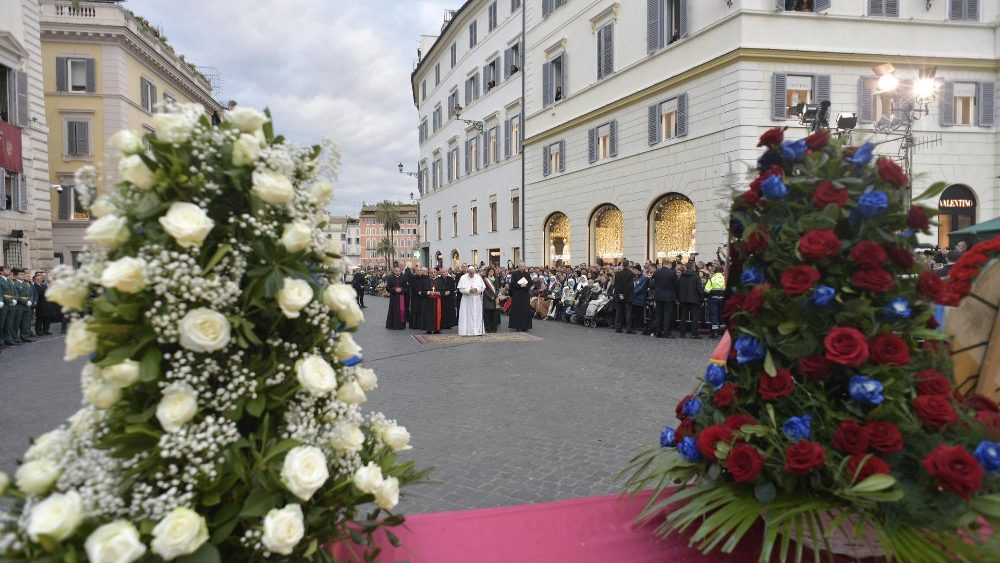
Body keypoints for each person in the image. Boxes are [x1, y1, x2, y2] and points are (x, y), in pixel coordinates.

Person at [652, 261, 678, 338]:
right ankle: (666, 332)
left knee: (658, 315)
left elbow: (654, 283)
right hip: (668, 296)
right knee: (667, 315)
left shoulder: (657, 272)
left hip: (658, 296)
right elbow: (676, 284)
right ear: (669, 265)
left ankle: (658, 332)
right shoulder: (672, 273)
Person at [457, 266, 485, 336]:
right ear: (468, 272)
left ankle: (477, 331)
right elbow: (460, 289)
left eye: (473, 273)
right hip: (467, 299)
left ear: (475, 272)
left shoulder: (478, 277)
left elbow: (483, 287)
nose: (472, 274)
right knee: (467, 315)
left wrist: (476, 289)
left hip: (477, 299)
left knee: (477, 315)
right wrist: (469, 290)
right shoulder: (463, 278)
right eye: (470, 273)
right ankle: (467, 331)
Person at [677, 264, 704, 339]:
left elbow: (678, 288)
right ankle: (694, 334)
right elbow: (699, 289)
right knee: (695, 318)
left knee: (683, 317)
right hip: (694, 299)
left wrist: (679, 298)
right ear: (693, 267)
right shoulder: (696, 276)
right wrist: (702, 299)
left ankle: (682, 334)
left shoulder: (682, 276)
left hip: (683, 299)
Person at [508, 261, 532, 331]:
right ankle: (517, 326)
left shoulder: (527, 274)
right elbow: (512, 284)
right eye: (521, 266)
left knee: (525, 310)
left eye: (523, 266)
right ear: (518, 267)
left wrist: (526, 285)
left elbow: (530, 283)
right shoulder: (514, 274)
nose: (522, 267)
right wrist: (519, 285)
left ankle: (525, 326)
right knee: (517, 310)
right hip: (517, 294)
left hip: (525, 294)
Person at [704, 263, 726, 338]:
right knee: (721, 315)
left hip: (713, 299)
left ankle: (715, 333)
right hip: (723, 299)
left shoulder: (712, 278)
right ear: (722, 272)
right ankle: (723, 332)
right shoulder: (725, 278)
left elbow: (706, 290)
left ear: (715, 272)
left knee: (714, 316)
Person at [422, 268, 447, 334]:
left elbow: (444, 291)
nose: (433, 273)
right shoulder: (425, 281)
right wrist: (428, 292)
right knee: (428, 315)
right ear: (429, 273)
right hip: (428, 301)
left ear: (437, 273)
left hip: (438, 300)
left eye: (434, 272)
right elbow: (422, 291)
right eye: (431, 272)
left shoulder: (440, 281)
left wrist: (438, 293)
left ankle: (437, 329)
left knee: (438, 314)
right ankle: (429, 329)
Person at [613, 261, 635, 333]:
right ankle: (628, 329)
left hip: (619, 295)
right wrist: (624, 295)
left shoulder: (618, 274)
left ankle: (618, 328)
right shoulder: (631, 274)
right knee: (628, 312)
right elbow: (629, 286)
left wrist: (620, 294)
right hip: (628, 296)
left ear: (622, 265)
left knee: (619, 312)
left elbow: (616, 286)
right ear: (628, 265)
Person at [631, 265, 649, 334]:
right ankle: (636, 325)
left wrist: (633, 293)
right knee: (635, 313)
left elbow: (642, 288)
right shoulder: (634, 278)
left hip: (640, 298)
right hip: (634, 298)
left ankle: (640, 325)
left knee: (640, 313)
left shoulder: (644, 278)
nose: (634, 271)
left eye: (635, 270)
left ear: (638, 270)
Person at [409, 267, 428, 331]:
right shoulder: (413, 278)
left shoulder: (425, 278)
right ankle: (414, 325)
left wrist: (423, 292)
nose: (419, 271)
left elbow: (426, 286)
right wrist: (418, 292)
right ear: (416, 271)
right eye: (418, 270)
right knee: (415, 310)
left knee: (422, 310)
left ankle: (421, 324)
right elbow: (413, 286)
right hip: (415, 296)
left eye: (420, 270)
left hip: (423, 296)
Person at [483, 267, 501, 333]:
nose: (491, 273)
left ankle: (494, 328)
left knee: (495, 314)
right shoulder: (485, 279)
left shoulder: (496, 279)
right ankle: (488, 328)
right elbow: (484, 290)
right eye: (490, 271)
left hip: (495, 299)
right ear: (488, 272)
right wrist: (490, 297)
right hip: (487, 298)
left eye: (492, 272)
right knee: (487, 314)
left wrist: (495, 295)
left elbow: (497, 289)